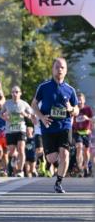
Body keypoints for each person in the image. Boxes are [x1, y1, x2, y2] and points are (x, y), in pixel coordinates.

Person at [31, 58, 78, 194]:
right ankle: (58, 165)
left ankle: (58, 182)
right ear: (52, 69)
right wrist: (41, 117)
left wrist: (71, 109)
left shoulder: (70, 90)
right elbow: (34, 104)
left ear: (66, 70)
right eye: (57, 67)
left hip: (65, 126)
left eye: (62, 67)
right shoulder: (43, 87)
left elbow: (76, 110)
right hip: (48, 126)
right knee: (51, 158)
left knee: (65, 154)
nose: (60, 70)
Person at [1, 86, 34, 178]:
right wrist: (4, 117)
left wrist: (25, 114)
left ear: (20, 93)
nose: (14, 94)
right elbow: (1, 113)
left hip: (21, 129)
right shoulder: (7, 103)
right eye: (13, 92)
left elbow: (31, 114)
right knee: (12, 152)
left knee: (21, 149)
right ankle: (14, 157)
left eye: (16, 92)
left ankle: (20, 171)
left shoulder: (24, 104)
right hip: (10, 130)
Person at [73, 92, 93, 178]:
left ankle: (86, 166)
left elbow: (93, 120)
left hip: (86, 132)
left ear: (84, 100)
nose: (79, 102)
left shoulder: (88, 109)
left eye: (81, 100)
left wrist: (87, 118)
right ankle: (80, 168)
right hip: (77, 132)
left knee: (86, 151)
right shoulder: (74, 109)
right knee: (79, 147)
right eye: (78, 100)